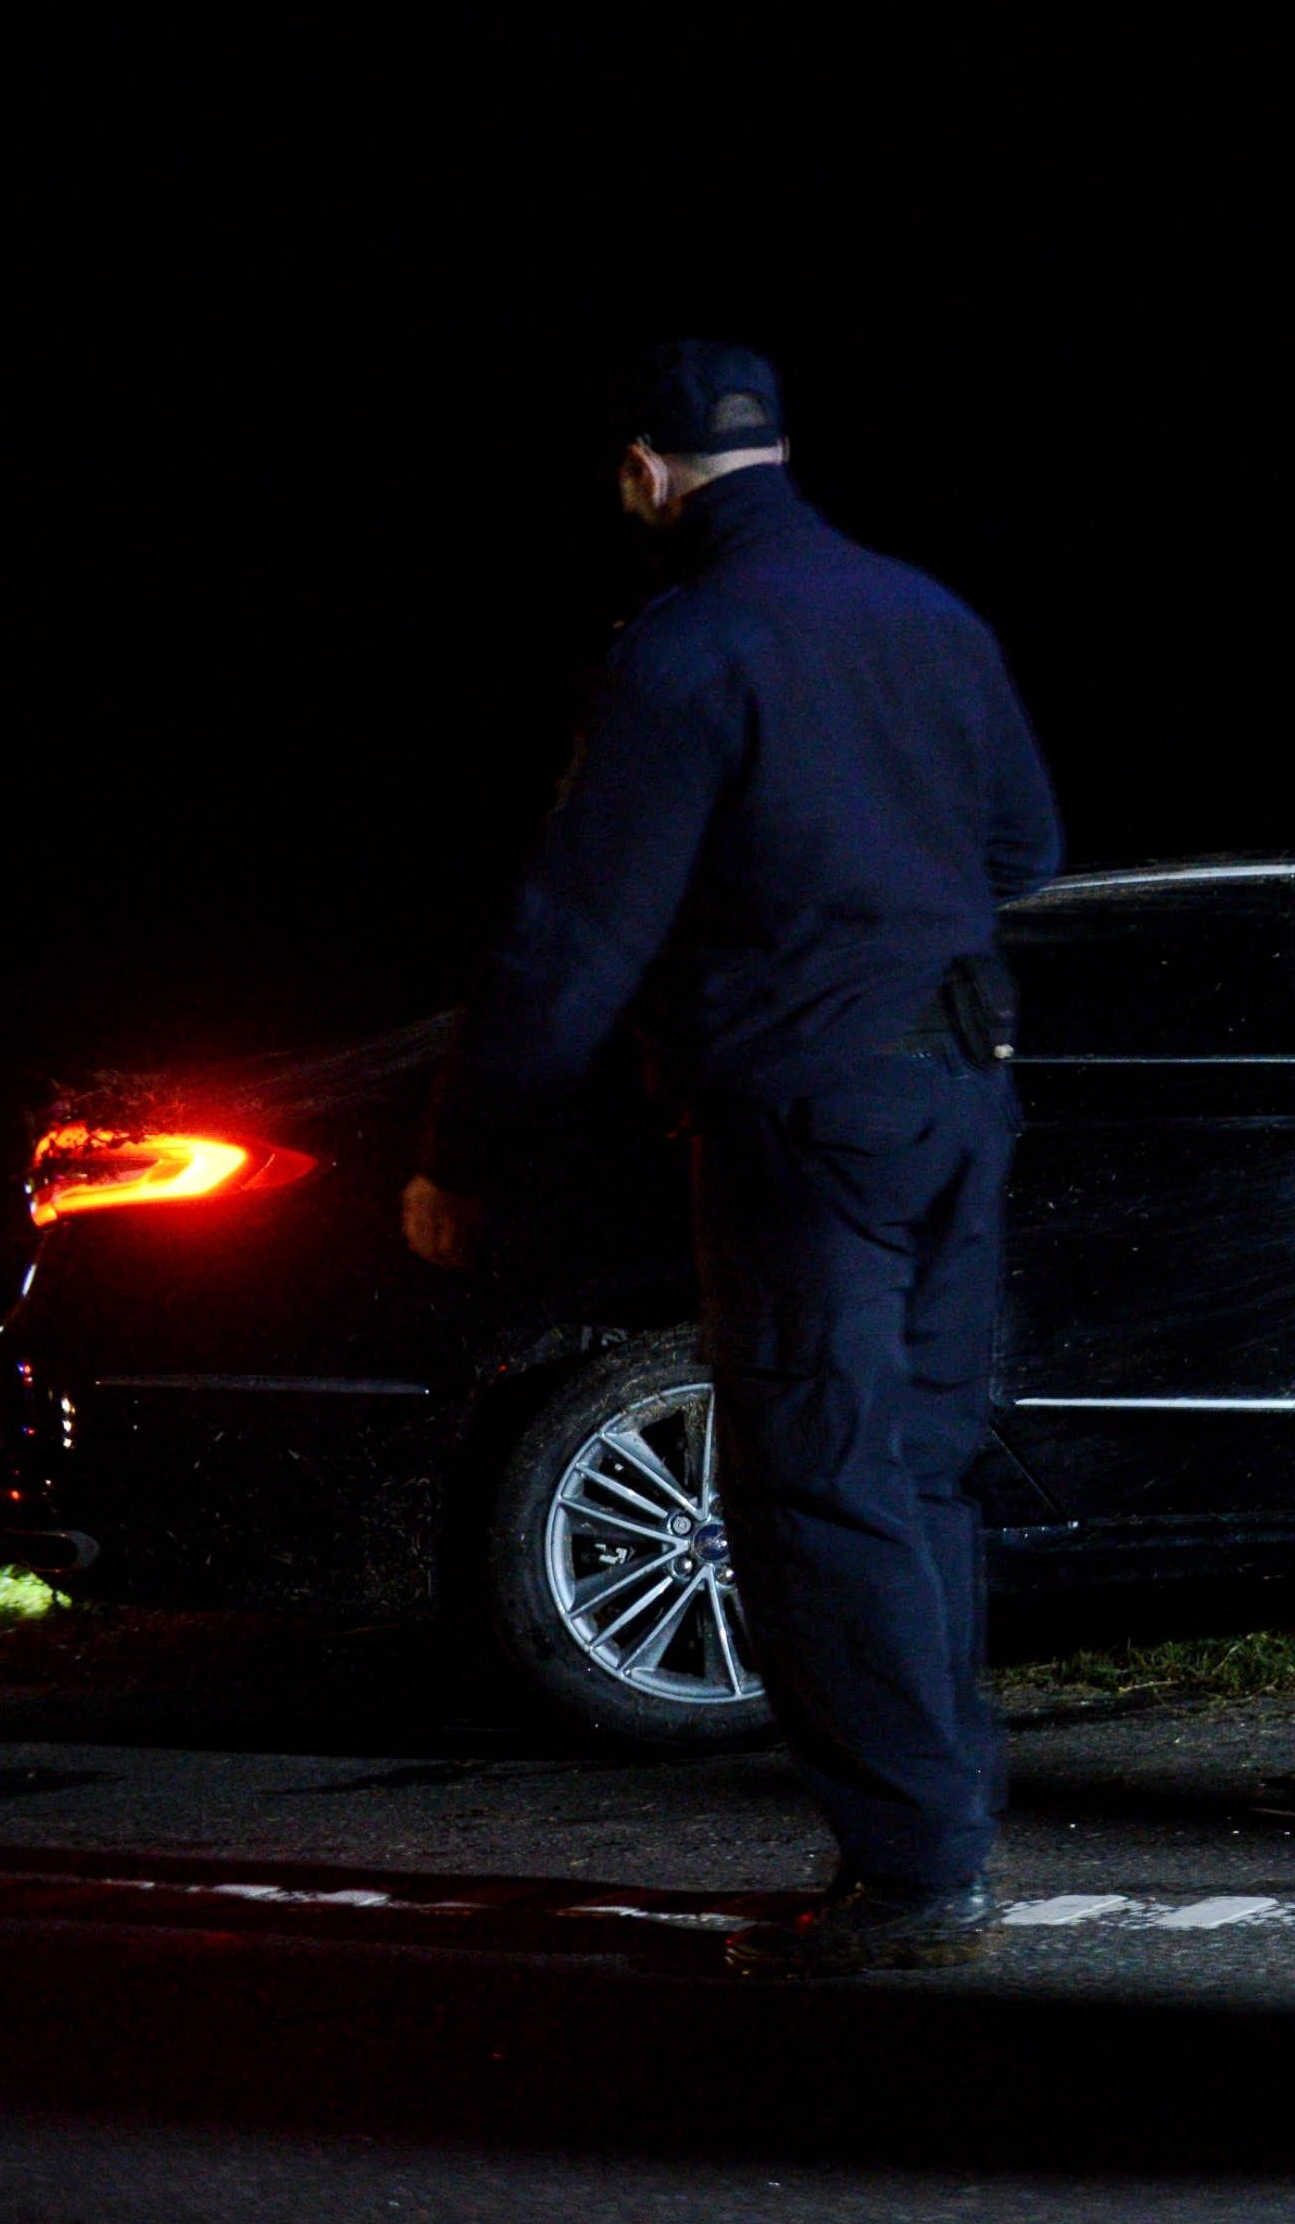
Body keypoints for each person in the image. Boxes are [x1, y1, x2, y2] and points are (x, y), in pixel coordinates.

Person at [402, 340, 1062, 1979]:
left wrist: (462, 1150)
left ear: (644, 471)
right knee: (913, 1472)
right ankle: (944, 1832)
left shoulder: (682, 652)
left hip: (803, 1113)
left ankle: (913, 1880)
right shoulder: (932, 617)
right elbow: (1026, 849)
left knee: (817, 1482)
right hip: (959, 1099)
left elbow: (576, 932)